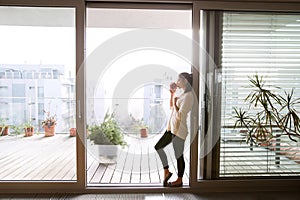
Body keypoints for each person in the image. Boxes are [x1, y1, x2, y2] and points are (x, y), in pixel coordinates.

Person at [154, 72, 194, 187]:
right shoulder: (182, 94)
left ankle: (180, 179)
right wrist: (172, 94)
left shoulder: (189, 96)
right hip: (171, 128)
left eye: (179, 80)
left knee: (178, 155)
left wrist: (176, 103)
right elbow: (172, 107)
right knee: (158, 146)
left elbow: (181, 115)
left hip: (179, 130)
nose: (177, 82)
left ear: (185, 81)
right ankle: (166, 171)